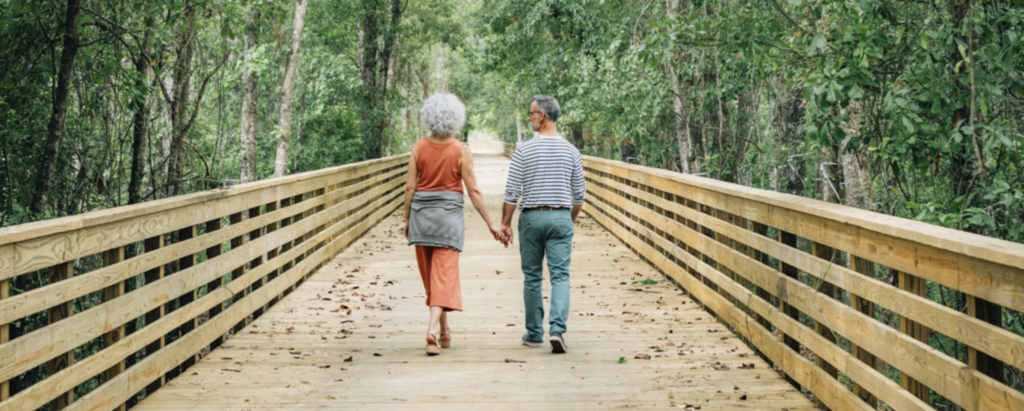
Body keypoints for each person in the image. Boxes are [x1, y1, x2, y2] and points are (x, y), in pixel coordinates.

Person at [404, 93, 507, 356]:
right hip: (448, 222)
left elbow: (409, 188)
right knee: (443, 279)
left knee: (432, 279)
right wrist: (490, 224)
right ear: (455, 118)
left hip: (422, 219)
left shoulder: (418, 147)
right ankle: (431, 331)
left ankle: (444, 332)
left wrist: (406, 220)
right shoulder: (461, 151)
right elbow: (473, 191)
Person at [500, 95, 585, 354]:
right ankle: (557, 329)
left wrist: (505, 223)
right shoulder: (572, 151)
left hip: (532, 218)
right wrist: (566, 221)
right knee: (560, 276)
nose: (529, 117)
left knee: (533, 277)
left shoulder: (524, 150)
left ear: (543, 116)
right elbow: (579, 196)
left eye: (531, 113)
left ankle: (535, 333)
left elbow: (512, 192)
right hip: (560, 216)